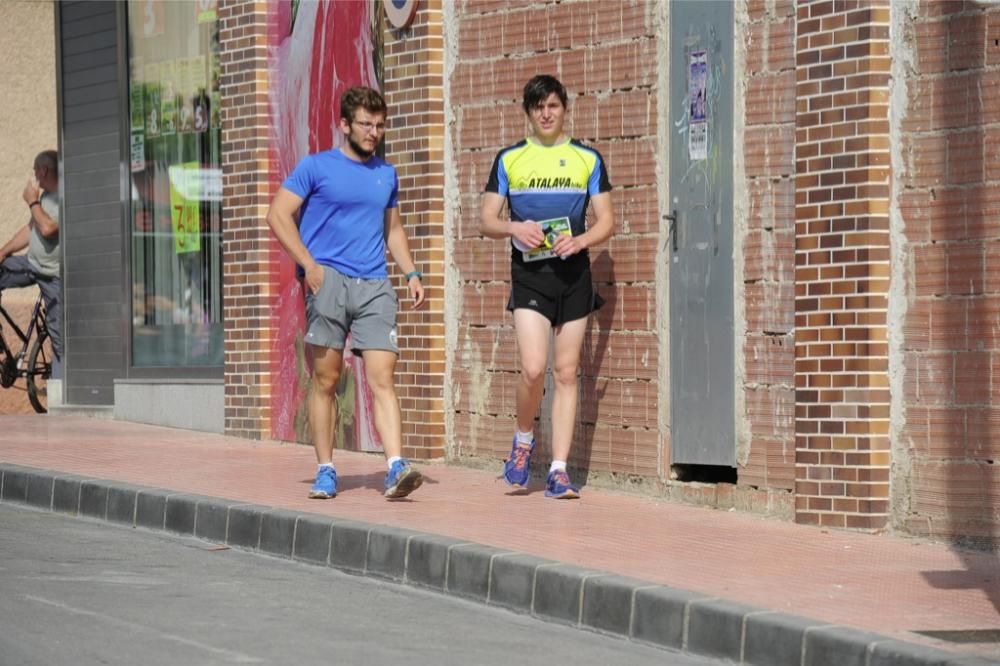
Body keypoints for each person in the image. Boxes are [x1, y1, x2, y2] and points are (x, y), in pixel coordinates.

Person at [266, 86, 426, 500]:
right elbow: (278, 215)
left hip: (374, 284)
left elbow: (392, 228)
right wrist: (311, 267)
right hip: (329, 281)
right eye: (366, 125)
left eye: (379, 125)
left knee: (382, 377)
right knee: (326, 379)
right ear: (344, 125)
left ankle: (395, 466)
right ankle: (325, 469)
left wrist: (410, 273)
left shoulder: (385, 174)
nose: (374, 132)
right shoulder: (316, 168)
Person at [479, 75, 614, 499]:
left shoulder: (587, 159)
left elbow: (607, 221)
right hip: (530, 275)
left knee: (568, 372)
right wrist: (514, 227)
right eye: (538, 107)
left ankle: (558, 471)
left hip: (574, 275)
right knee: (534, 367)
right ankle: (522, 441)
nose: (546, 113)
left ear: (564, 108)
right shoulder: (510, 159)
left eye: (553, 105)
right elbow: (486, 220)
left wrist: (582, 240)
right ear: (528, 112)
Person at [0, 150, 62, 373]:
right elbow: (30, 230)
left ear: (43, 171)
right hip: (31, 264)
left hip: (54, 276)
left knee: (60, 340)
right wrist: (2, 252)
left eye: (35, 170)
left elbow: (47, 228)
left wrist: (32, 201)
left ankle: (60, 392)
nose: (34, 174)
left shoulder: (65, 198)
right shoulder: (44, 197)